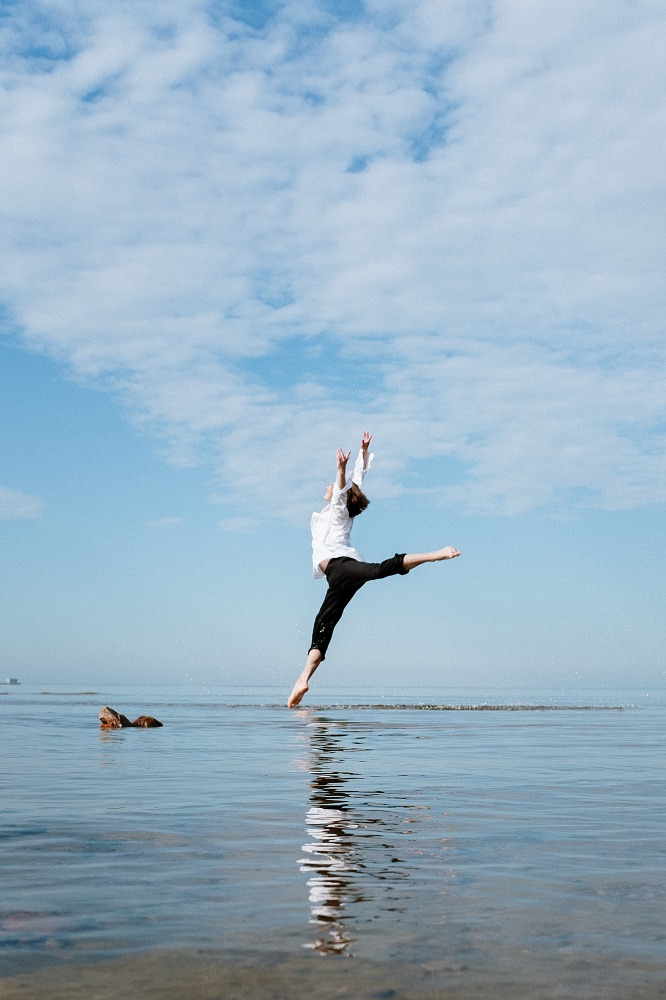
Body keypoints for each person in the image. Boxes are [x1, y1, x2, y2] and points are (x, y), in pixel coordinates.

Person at [287, 432, 460, 708]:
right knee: (324, 624)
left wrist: (340, 469)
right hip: (338, 578)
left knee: (380, 570)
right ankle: (302, 680)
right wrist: (363, 453)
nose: (330, 487)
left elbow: (344, 491)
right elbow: (356, 485)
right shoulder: (336, 513)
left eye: (333, 486)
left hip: (341, 567)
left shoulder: (338, 512)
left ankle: (433, 555)